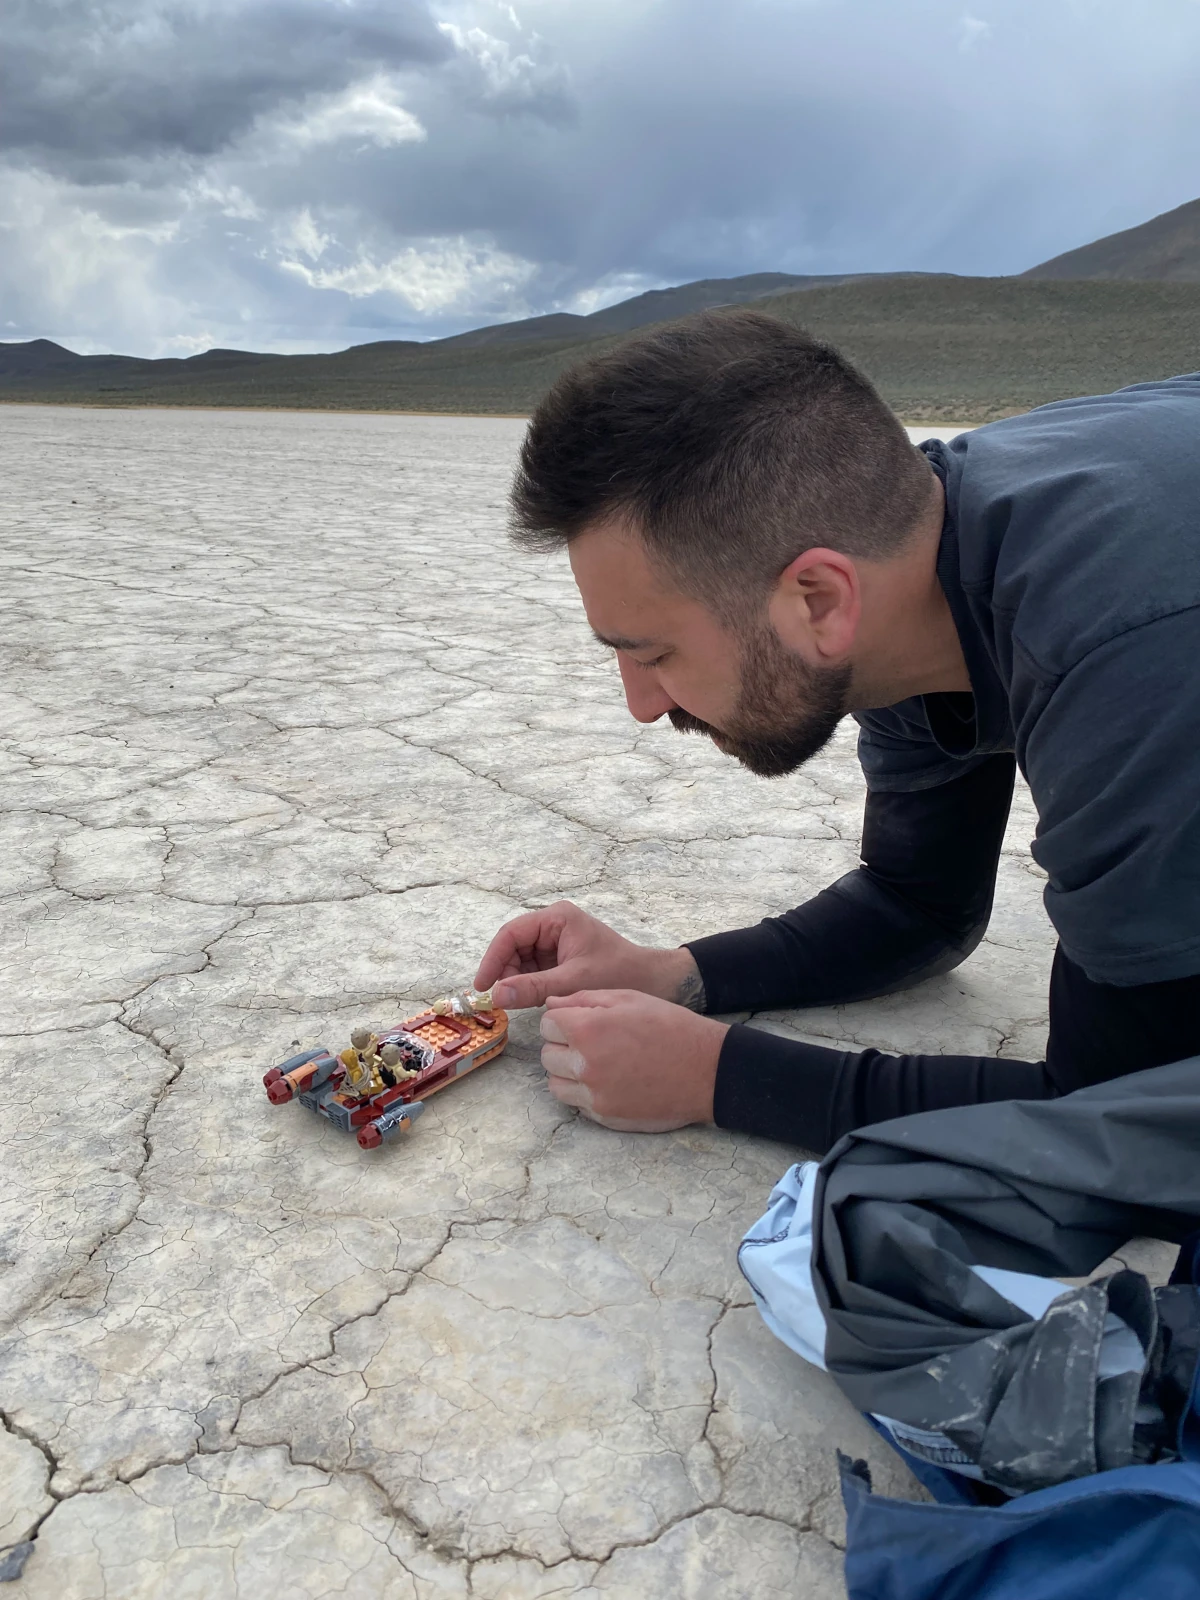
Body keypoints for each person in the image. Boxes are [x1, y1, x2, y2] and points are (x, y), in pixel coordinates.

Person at [473, 311, 1200, 1154]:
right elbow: (918, 906)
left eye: (654, 653)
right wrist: (674, 974)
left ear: (819, 600)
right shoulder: (908, 561)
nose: (641, 704)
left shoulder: (1130, 648)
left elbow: (1136, 1122)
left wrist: (720, 1077)